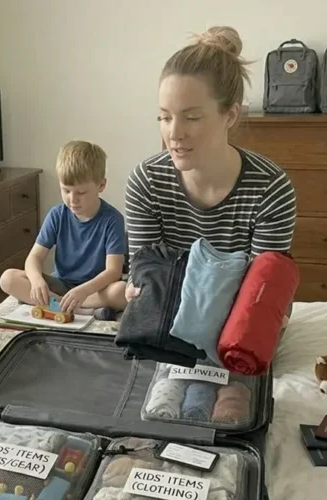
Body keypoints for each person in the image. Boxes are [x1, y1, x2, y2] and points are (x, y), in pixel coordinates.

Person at [123, 25, 297, 322]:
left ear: (230, 115)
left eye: (191, 118)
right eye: (164, 117)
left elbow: (259, 295)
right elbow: (148, 278)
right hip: (169, 316)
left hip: (240, 321)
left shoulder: (271, 188)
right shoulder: (147, 181)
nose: (173, 134)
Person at [0, 140, 127, 319]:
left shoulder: (113, 219)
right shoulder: (57, 215)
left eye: (81, 193)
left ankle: (60, 305)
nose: (72, 199)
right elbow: (33, 258)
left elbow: (113, 272)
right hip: (61, 285)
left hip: (94, 290)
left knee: (121, 291)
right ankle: (76, 309)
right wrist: (37, 282)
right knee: (8, 278)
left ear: (101, 185)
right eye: (66, 190)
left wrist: (82, 291)